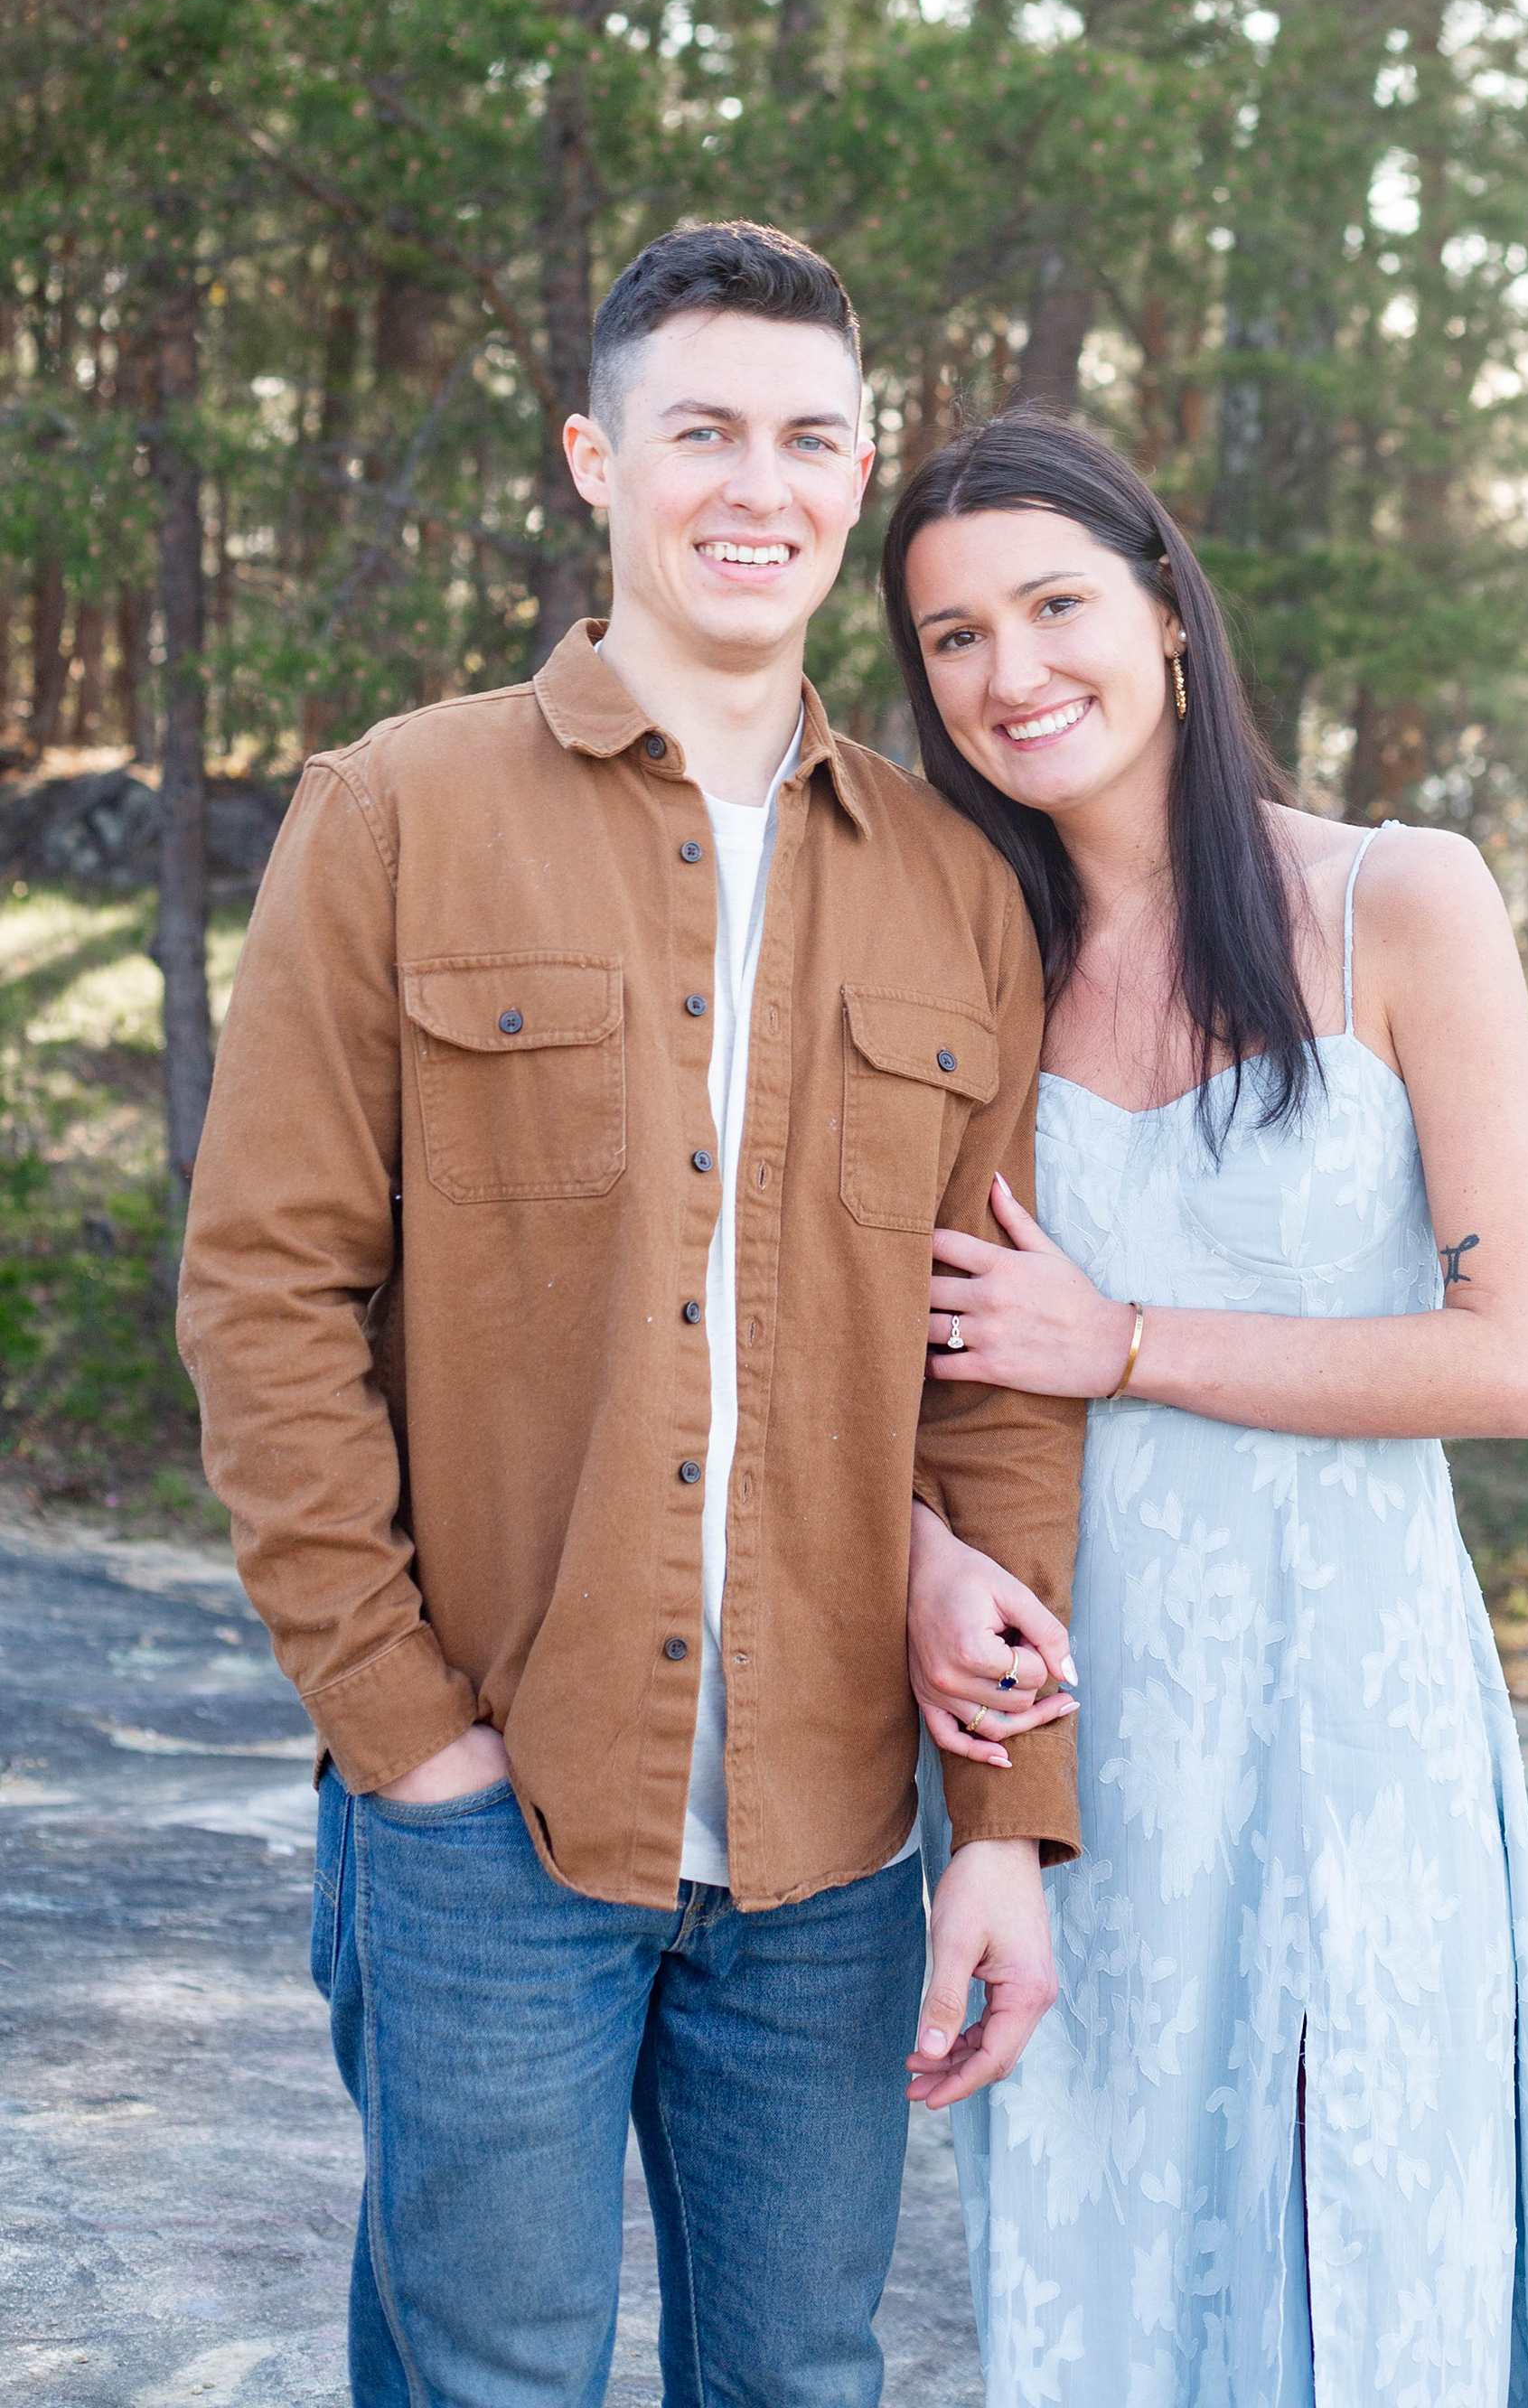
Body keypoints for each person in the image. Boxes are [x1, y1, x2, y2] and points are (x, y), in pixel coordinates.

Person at [175, 224, 1086, 2408]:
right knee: (482, 2378)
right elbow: (265, 1296)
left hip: (837, 1852)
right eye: (700, 432)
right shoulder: (399, 809)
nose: (751, 485)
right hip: (493, 1822)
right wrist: (407, 1740)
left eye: (804, 437)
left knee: (800, 2381)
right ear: (598, 458)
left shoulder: (959, 887)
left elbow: (996, 1387)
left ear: (857, 477)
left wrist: (1008, 1831)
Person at [884, 413, 1528, 2405]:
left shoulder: (1400, 902)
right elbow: (874, 1361)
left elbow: (1512, 1358)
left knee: (1364, 2249)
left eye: (1053, 605)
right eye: (951, 639)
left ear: (1170, 615)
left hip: (1356, 1718)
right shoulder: (964, 966)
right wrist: (928, 1556)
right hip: (1078, 1740)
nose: (1011, 672)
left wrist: (1125, 1339)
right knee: (1102, 2265)